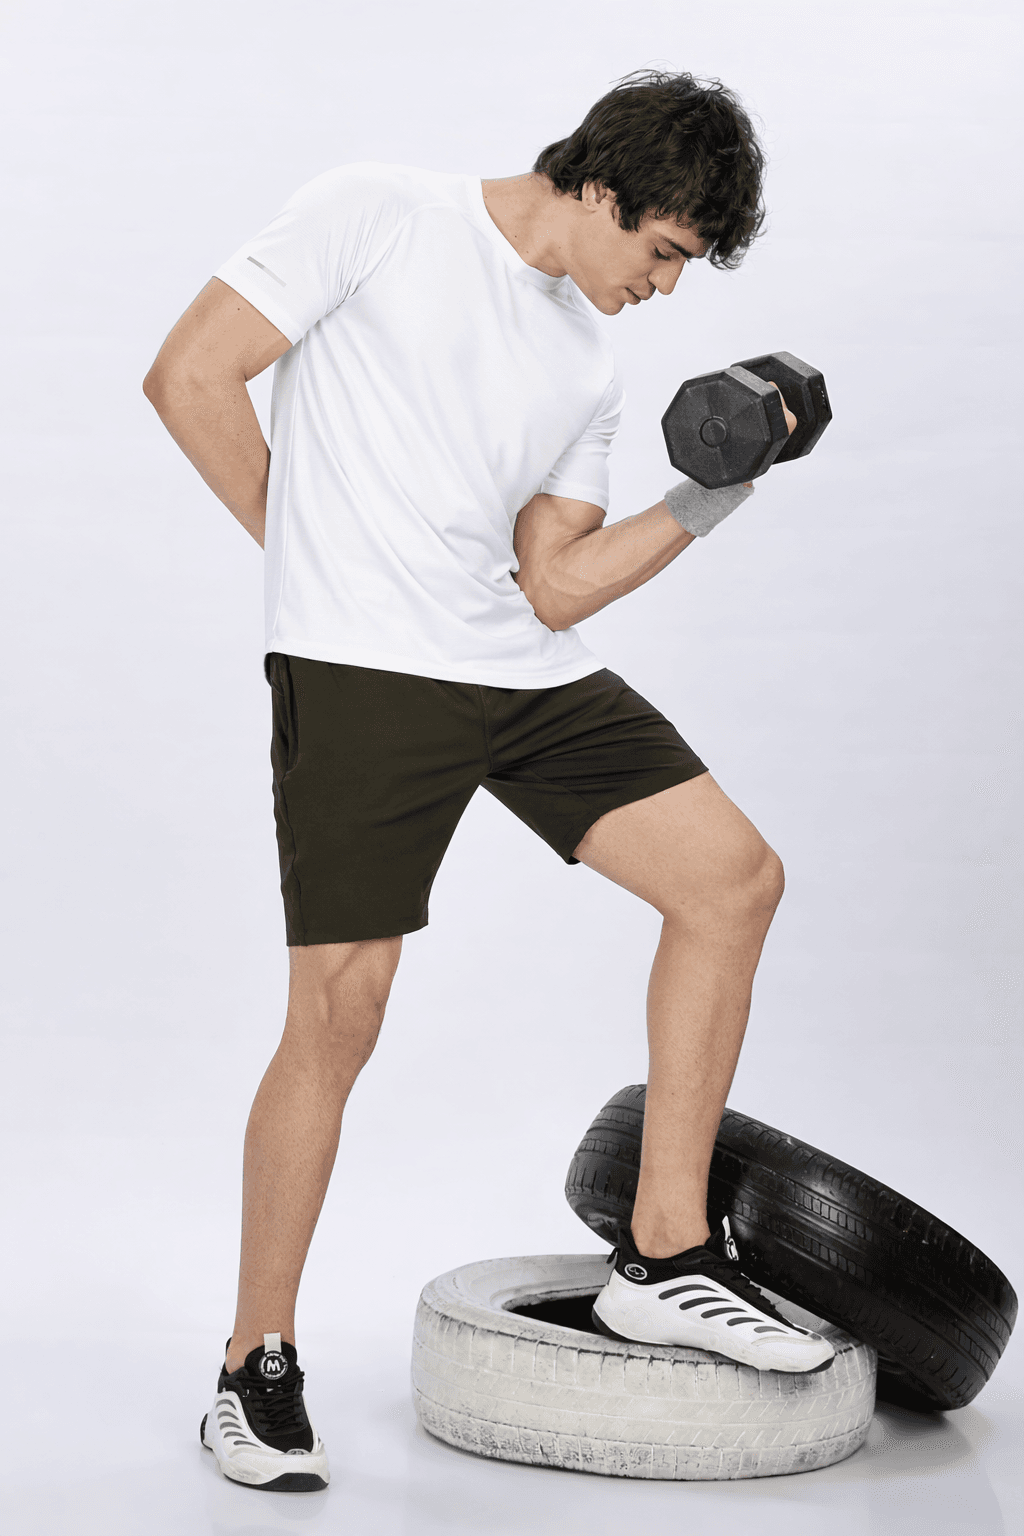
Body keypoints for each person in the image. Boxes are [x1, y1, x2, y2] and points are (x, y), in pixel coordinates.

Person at [142, 68, 834, 1495]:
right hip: (361, 672)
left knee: (731, 881)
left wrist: (717, 488)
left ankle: (666, 1248)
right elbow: (190, 374)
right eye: (665, 252)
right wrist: (309, 557)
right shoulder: (379, 213)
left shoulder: (585, 361)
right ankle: (253, 1364)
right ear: (606, 188)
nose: (664, 287)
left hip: (520, 672)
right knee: (342, 1011)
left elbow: (557, 583)